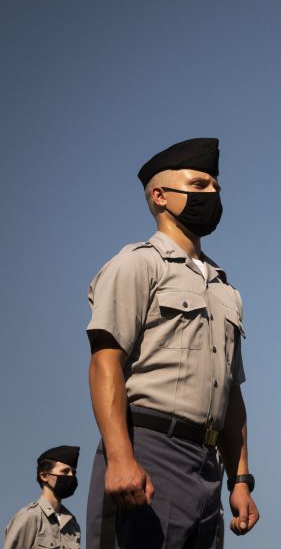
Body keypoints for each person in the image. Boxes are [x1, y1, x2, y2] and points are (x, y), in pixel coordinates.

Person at [85, 138, 259, 548]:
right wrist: (121, 457)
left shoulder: (225, 289)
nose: (212, 194)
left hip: (208, 467)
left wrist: (241, 479)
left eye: (215, 186)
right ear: (160, 196)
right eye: (198, 185)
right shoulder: (137, 264)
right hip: (149, 451)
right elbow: (105, 362)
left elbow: (231, 395)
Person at [4, 446, 81, 549]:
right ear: (44, 476)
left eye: (73, 472)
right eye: (65, 471)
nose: (71, 476)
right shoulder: (30, 517)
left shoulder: (72, 526)